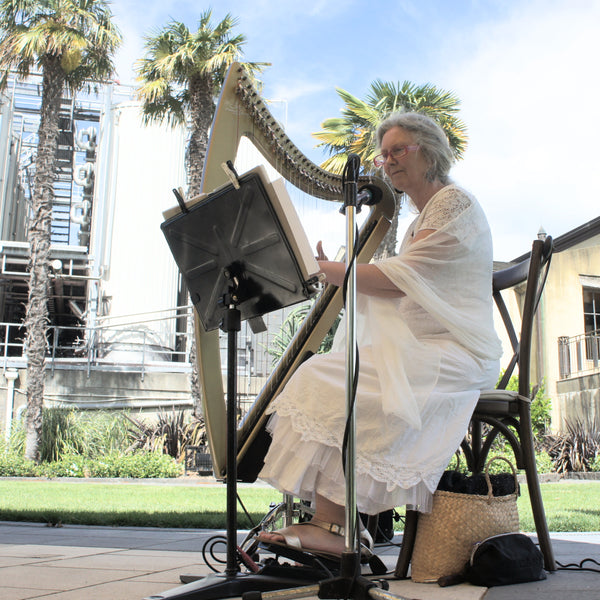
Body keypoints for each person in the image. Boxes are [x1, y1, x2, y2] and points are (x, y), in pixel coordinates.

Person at [256, 111, 503, 560]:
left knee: (339, 378)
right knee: (333, 372)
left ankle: (332, 527)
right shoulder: (420, 218)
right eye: (383, 153)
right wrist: (348, 275)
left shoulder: (452, 204)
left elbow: (400, 280)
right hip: (425, 346)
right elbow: (402, 286)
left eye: (398, 150)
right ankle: (333, 524)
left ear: (428, 152)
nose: (387, 161)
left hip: (456, 353)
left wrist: (331, 271)